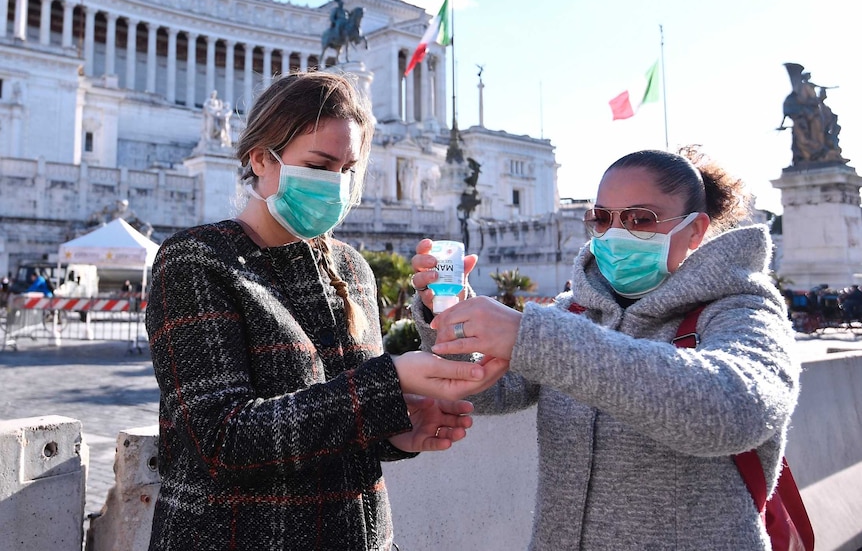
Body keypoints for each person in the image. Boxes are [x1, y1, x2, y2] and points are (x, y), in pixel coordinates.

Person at [145, 71, 503, 551]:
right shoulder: (198, 260)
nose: (335, 184)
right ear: (260, 159)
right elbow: (219, 441)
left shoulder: (353, 270)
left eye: (347, 168)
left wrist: (398, 434)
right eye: (319, 165)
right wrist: (389, 382)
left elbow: (339, 422)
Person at [410, 147, 799, 549]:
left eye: (639, 219)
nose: (615, 234)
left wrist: (535, 337)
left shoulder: (742, 307)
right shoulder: (574, 310)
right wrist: (449, 313)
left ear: (695, 230)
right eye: (601, 218)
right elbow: (488, 389)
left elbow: (733, 410)